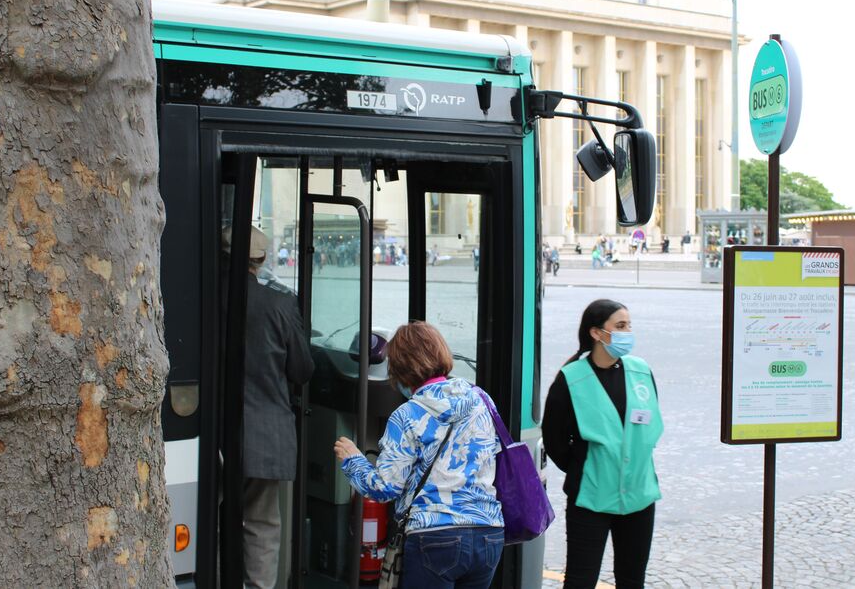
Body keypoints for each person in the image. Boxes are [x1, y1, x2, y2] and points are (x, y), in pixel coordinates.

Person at [333, 322, 504, 588]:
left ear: (400, 369)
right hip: (489, 534)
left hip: (435, 537)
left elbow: (385, 488)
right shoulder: (481, 399)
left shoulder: (407, 415)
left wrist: (353, 459)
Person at [542, 300, 662, 589]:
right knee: (581, 580)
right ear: (597, 333)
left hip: (639, 495)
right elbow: (554, 438)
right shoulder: (571, 378)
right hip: (591, 498)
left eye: (629, 325)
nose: (627, 332)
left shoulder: (641, 371)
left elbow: (650, 425)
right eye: (620, 326)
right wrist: (584, 466)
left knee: (632, 580)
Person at [225, 226, 316, 589]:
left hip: (210, 432)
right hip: (265, 434)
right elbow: (302, 369)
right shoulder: (278, 304)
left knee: (213, 519)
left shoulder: (202, 294)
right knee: (261, 524)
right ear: (260, 259)